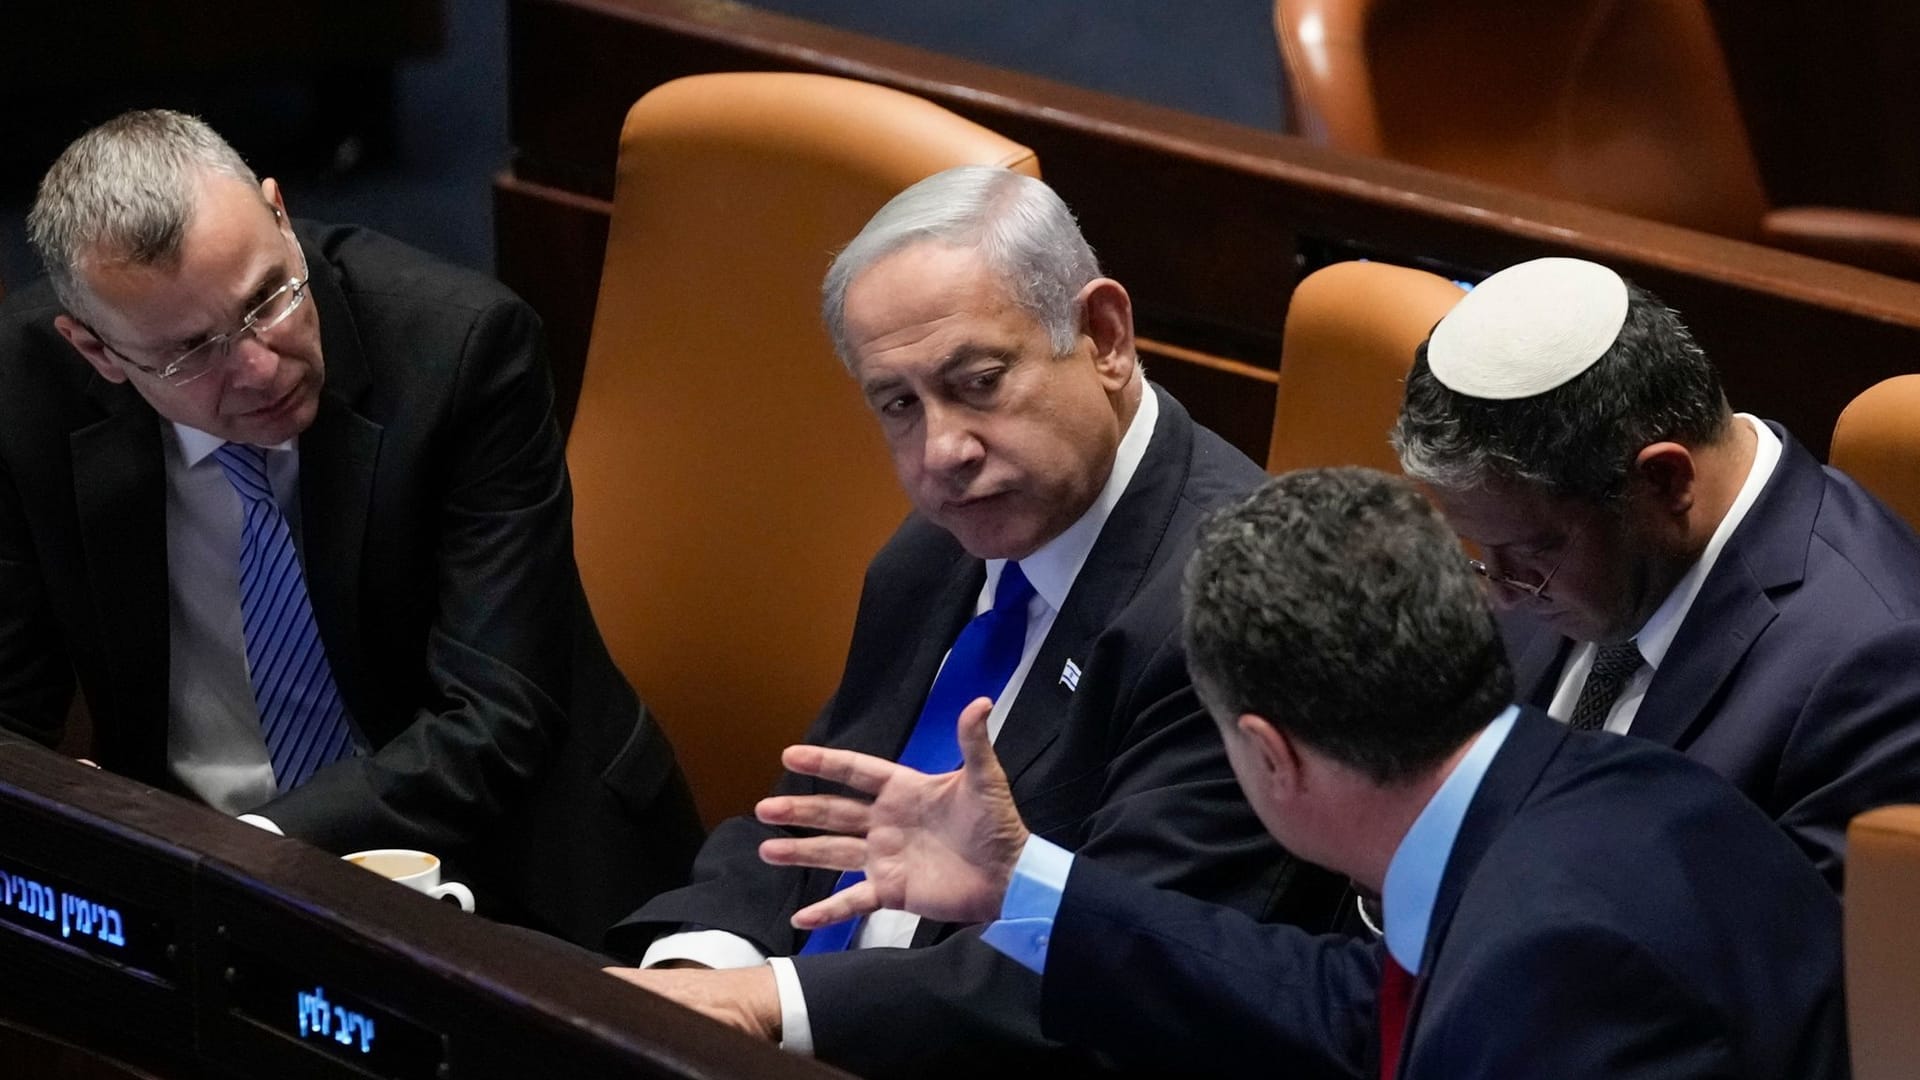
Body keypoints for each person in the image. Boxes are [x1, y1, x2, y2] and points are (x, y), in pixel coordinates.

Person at [600, 165, 1342, 1075]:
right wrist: (693, 970)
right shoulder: (942, 547)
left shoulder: (1236, 614)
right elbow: (817, 819)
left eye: (979, 381)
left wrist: (767, 1005)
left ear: (1104, 337)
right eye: (899, 405)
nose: (941, 452)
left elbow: (1118, 975)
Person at [760, 467, 1849, 1078]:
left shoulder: (1549, 972)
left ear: (1268, 755)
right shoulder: (1603, 788)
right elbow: (1350, 1008)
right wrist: (1025, 880)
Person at [0, 109, 702, 946]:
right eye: (193, 353)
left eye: (267, 298)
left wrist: (240, 855)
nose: (260, 366)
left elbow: (495, 714)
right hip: (190, 878)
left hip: (505, 860)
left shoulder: (461, 346)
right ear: (98, 353)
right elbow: (13, 704)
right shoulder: (25, 386)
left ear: (280, 214)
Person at [1392, 255, 1920, 890]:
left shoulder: (1880, 667)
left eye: (1530, 553)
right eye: (1480, 547)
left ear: (1665, 480)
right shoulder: (1565, 540)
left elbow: (1798, 974)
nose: (1502, 594)